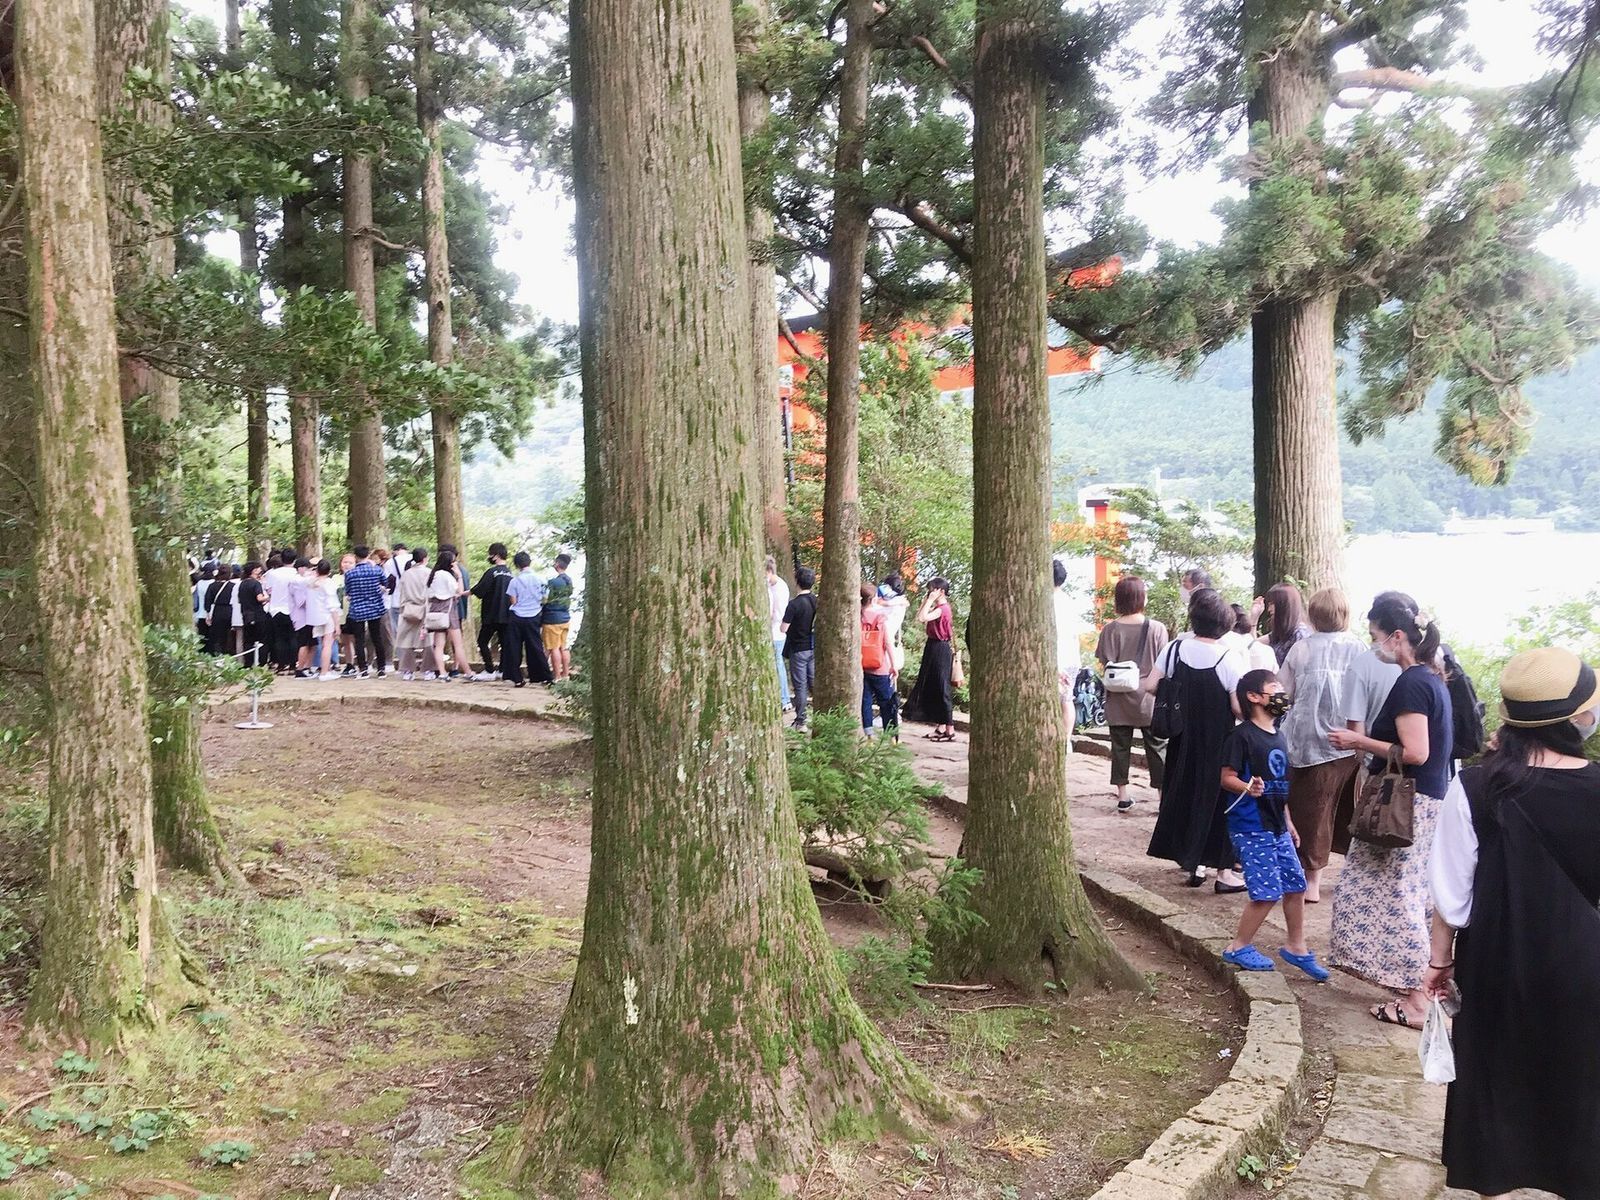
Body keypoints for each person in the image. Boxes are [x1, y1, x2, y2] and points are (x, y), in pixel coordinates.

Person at [1426, 647, 1600, 1200]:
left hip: (1497, 962)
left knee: (1494, 1086)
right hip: (1585, 964)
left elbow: (1451, 894)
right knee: (1581, 1089)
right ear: (1580, 716)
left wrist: (1439, 962)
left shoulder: (1475, 786)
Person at [1327, 598, 1452, 1027]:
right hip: (1425, 801)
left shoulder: (1412, 683)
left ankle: (1417, 999)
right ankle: (1422, 987)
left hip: (1404, 803)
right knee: (1411, 894)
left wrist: (1357, 741)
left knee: (1396, 896)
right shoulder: (1431, 678)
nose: (1374, 644)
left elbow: (1416, 752)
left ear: (1397, 637)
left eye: (1375, 635)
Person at [1218, 669, 1331, 981]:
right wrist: (1247, 787)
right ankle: (1238, 946)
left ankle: (1296, 946)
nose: (1281, 694)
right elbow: (1226, 777)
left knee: (1296, 885)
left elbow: (1280, 786)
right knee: (1267, 892)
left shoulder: (1279, 735)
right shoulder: (1241, 737)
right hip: (1251, 825)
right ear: (1254, 696)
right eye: (1274, 688)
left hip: (1277, 825)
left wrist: (1288, 821)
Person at [1146, 587, 1249, 891]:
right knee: (1217, 803)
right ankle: (1224, 873)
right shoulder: (1229, 658)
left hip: (1181, 739)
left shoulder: (1175, 649)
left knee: (1186, 796)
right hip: (1218, 742)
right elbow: (1237, 708)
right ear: (1224, 625)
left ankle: (1195, 865)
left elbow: (1150, 685)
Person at [1278, 588, 1364, 903]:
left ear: (1313, 615)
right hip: (1349, 740)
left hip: (1307, 741)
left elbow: (1283, 693)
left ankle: (1311, 879)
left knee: (1312, 811)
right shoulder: (1358, 648)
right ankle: (1342, 873)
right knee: (1343, 809)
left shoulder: (1302, 649)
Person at [1095, 575, 1170, 812]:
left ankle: (1123, 796)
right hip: (1149, 696)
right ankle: (1163, 797)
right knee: (1157, 748)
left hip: (1118, 697)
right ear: (1141, 598)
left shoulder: (1110, 630)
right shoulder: (1157, 628)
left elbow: (1104, 662)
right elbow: (1164, 664)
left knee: (1119, 747)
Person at [903, 577, 957, 741]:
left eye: (933, 589)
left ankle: (950, 729)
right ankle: (941, 727)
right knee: (934, 685)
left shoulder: (943, 609)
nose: (930, 591)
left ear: (941, 591)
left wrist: (930, 601)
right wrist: (926, 601)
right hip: (932, 646)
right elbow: (920, 616)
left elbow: (922, 618)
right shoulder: (937, 607)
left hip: (940, 648)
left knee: (942, 687)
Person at [501, 551, 554, 687]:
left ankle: (516, 678)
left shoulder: (514, 581)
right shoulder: (541, 579)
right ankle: (542, 676)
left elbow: (513, 601)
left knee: (514, 647)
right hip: (534, 615)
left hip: (517, 616)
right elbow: (545, 598)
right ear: (529, 562)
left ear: (517, 565)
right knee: (535, 646)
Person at [780, 566, 818, 730]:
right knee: (814, 683)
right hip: (813, 648)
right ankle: (821, 716)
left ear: (797, 582)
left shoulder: (794, 604)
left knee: (800, 686)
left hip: (798, 649)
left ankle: (801, 721)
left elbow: (783, 628)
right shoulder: (816, 602)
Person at [343, 545, 389, 678]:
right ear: (368, 555)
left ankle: (363, 669)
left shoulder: (350, 573)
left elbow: (348, 591)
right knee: (377, 638)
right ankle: (381, 668)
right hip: (375, 608)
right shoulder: (376, 570)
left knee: (359, 640)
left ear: (355, 556)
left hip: (357, 609)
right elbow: (385, 584)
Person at [1052, 559, 1087, 736]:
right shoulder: (1069, 601)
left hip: (1058, 658)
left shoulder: (1049, 602)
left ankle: (1062, 740)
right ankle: (1066, 740)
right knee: (1067, 699)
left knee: (1060, 700)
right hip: (1071, 658)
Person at [471, 543, 514, 681]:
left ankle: (489, 670)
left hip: (491, 614)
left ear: (496, 555)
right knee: (505, 643)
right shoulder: (511, 574)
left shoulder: (491, 572)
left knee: (482, 641)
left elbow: (480, 589)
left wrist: (467, 592)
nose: (489, 556)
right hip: (507, 614)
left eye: (490, 554)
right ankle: (502, 670)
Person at [860, 584, 898, 737]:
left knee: (865, 700)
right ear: (874, 598)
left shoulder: (856, 615)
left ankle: (868, 734)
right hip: (879, 666)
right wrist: (893, 665)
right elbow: (888, 642)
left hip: (861, 665)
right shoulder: (880, 617)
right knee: (886, 701)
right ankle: (891, 735)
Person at [394, 547, 431, 680]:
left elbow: (402, 593)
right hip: (425, 608)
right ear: (425, 558)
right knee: (428, 641)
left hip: (408, 609)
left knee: (407, 641)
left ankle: (407, 670)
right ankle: (428, 670)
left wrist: (402, 607)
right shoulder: (429, 573)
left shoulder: (406, 574)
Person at [426, 550, 464, 680]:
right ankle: (467, 671)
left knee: (439, 645)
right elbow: (460, 591)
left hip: (435, 611)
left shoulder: (434, 574)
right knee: (458, 644)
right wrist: (459, 576)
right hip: (448, 611)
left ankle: (442, 672)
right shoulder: (446, 575)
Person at [1254, 582, 1311, 667]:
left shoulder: (1300, 635)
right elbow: (1254, 646)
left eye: (1272, 604)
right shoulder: (1281, 633)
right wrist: (1254, 617)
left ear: (1284, 605)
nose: (1269, 609)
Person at [263, 550, 301, 672]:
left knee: (279, 638)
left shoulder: (273, 574)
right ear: (294, 560)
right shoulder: (296, 574)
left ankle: (281, 664)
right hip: (292, 610)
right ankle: (293, 665)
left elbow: (268, 590)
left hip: (276, 609)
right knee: (293, 637)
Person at [542, 553, 576, 681]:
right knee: (563, 647)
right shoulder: (569, 581)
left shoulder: (553, 582)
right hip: (565, 617)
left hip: (552, 619)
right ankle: (565, 674)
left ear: (557, 564)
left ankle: (556, 676)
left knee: (553, 648)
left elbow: (544, 599)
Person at [307, 559, 341, 678]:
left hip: (316, 616)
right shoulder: (328, 584)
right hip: (327, 616)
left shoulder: (311, 583)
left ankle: (325, 669)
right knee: (327, 645)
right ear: (329, 571)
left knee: (322, 644)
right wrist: (337, 624)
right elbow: (333, 605)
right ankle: (324, 672)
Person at [766, 556, 791, 711]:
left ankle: (784, 699)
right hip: (774, 631)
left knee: (778, 664)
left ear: (769, 571)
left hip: (777, 632)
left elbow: (777, 614)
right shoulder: (771, 586)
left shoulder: (779, 588)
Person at [238, 561, 269, 668]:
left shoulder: (242, 584)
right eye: (259, 568)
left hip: (246, 615)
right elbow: (259, 598)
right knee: (262, 640)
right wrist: (268, 597)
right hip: (258, 615)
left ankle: (248, 663)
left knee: (248, 641)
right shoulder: (256, 583)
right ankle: (262, 663)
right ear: (254, 570)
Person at [879, 573, 910, 677]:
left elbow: (879, 603)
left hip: (882, 641)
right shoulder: (901, 601)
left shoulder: (893, 602)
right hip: (888, 641)